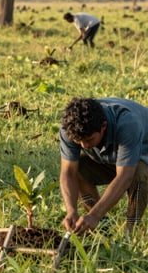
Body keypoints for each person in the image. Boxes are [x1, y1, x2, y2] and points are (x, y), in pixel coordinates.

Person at [59, 96, 148, 234]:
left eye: (89, 139)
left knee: (139, 172)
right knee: (79, 168)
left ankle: (131, 232)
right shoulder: (70, 127)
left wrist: (94, 215)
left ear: (103, 126)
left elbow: (125, 177)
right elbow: (68, 172)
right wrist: (71, 211)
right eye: (78, 141)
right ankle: (102, 227)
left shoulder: (127, 124)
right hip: (117, 157)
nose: (84, 146)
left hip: (142, 155)